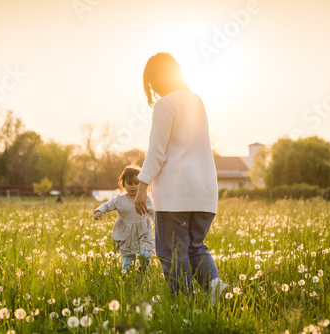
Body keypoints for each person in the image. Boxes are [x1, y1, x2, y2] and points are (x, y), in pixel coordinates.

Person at [134, 52, 229, 304]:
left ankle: (183, 304)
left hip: (176, 194)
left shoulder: (165, 105)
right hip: (205, 194)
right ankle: (216, 288)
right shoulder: (196, 101)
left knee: (170, 253)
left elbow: (157, 152)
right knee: (195, 247)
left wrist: (142, 186)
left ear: (155, 81)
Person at [93, 165, 155, 272]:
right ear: (123, 184)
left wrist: (159, 225)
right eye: (129, 183)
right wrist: (99, 211)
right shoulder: (119, 199)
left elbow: (154, 213)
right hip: (126, 236)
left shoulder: (146, 198)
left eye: (137, 183)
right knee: (127, 266)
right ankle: (129, 281)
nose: (133, 187)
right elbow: (108, 205)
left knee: (144, 254)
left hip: (143, 234)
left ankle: (143, 270)